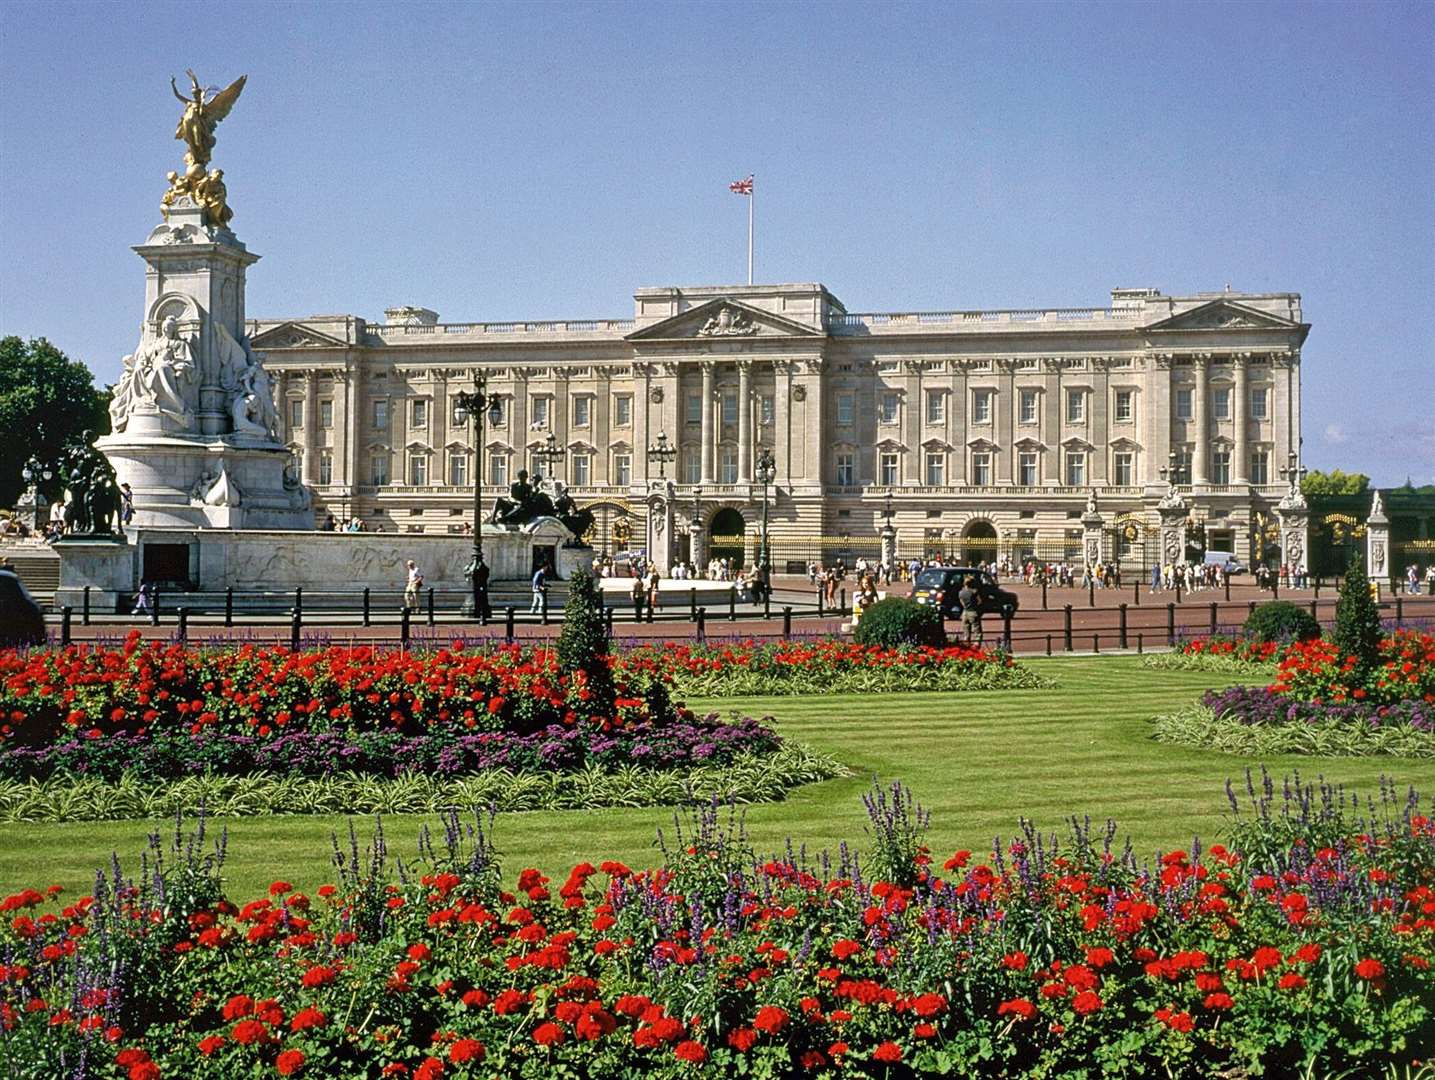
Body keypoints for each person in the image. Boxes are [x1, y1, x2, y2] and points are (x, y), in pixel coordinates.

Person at [958, 575, 982, 644]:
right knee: (977, 631)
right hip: (973, 611)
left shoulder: (961, 592)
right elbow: (979, 601)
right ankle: (977, 645)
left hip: (965, 612)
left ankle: (967, 644)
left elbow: (961, 602)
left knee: (966, 630)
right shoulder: (974, 592)